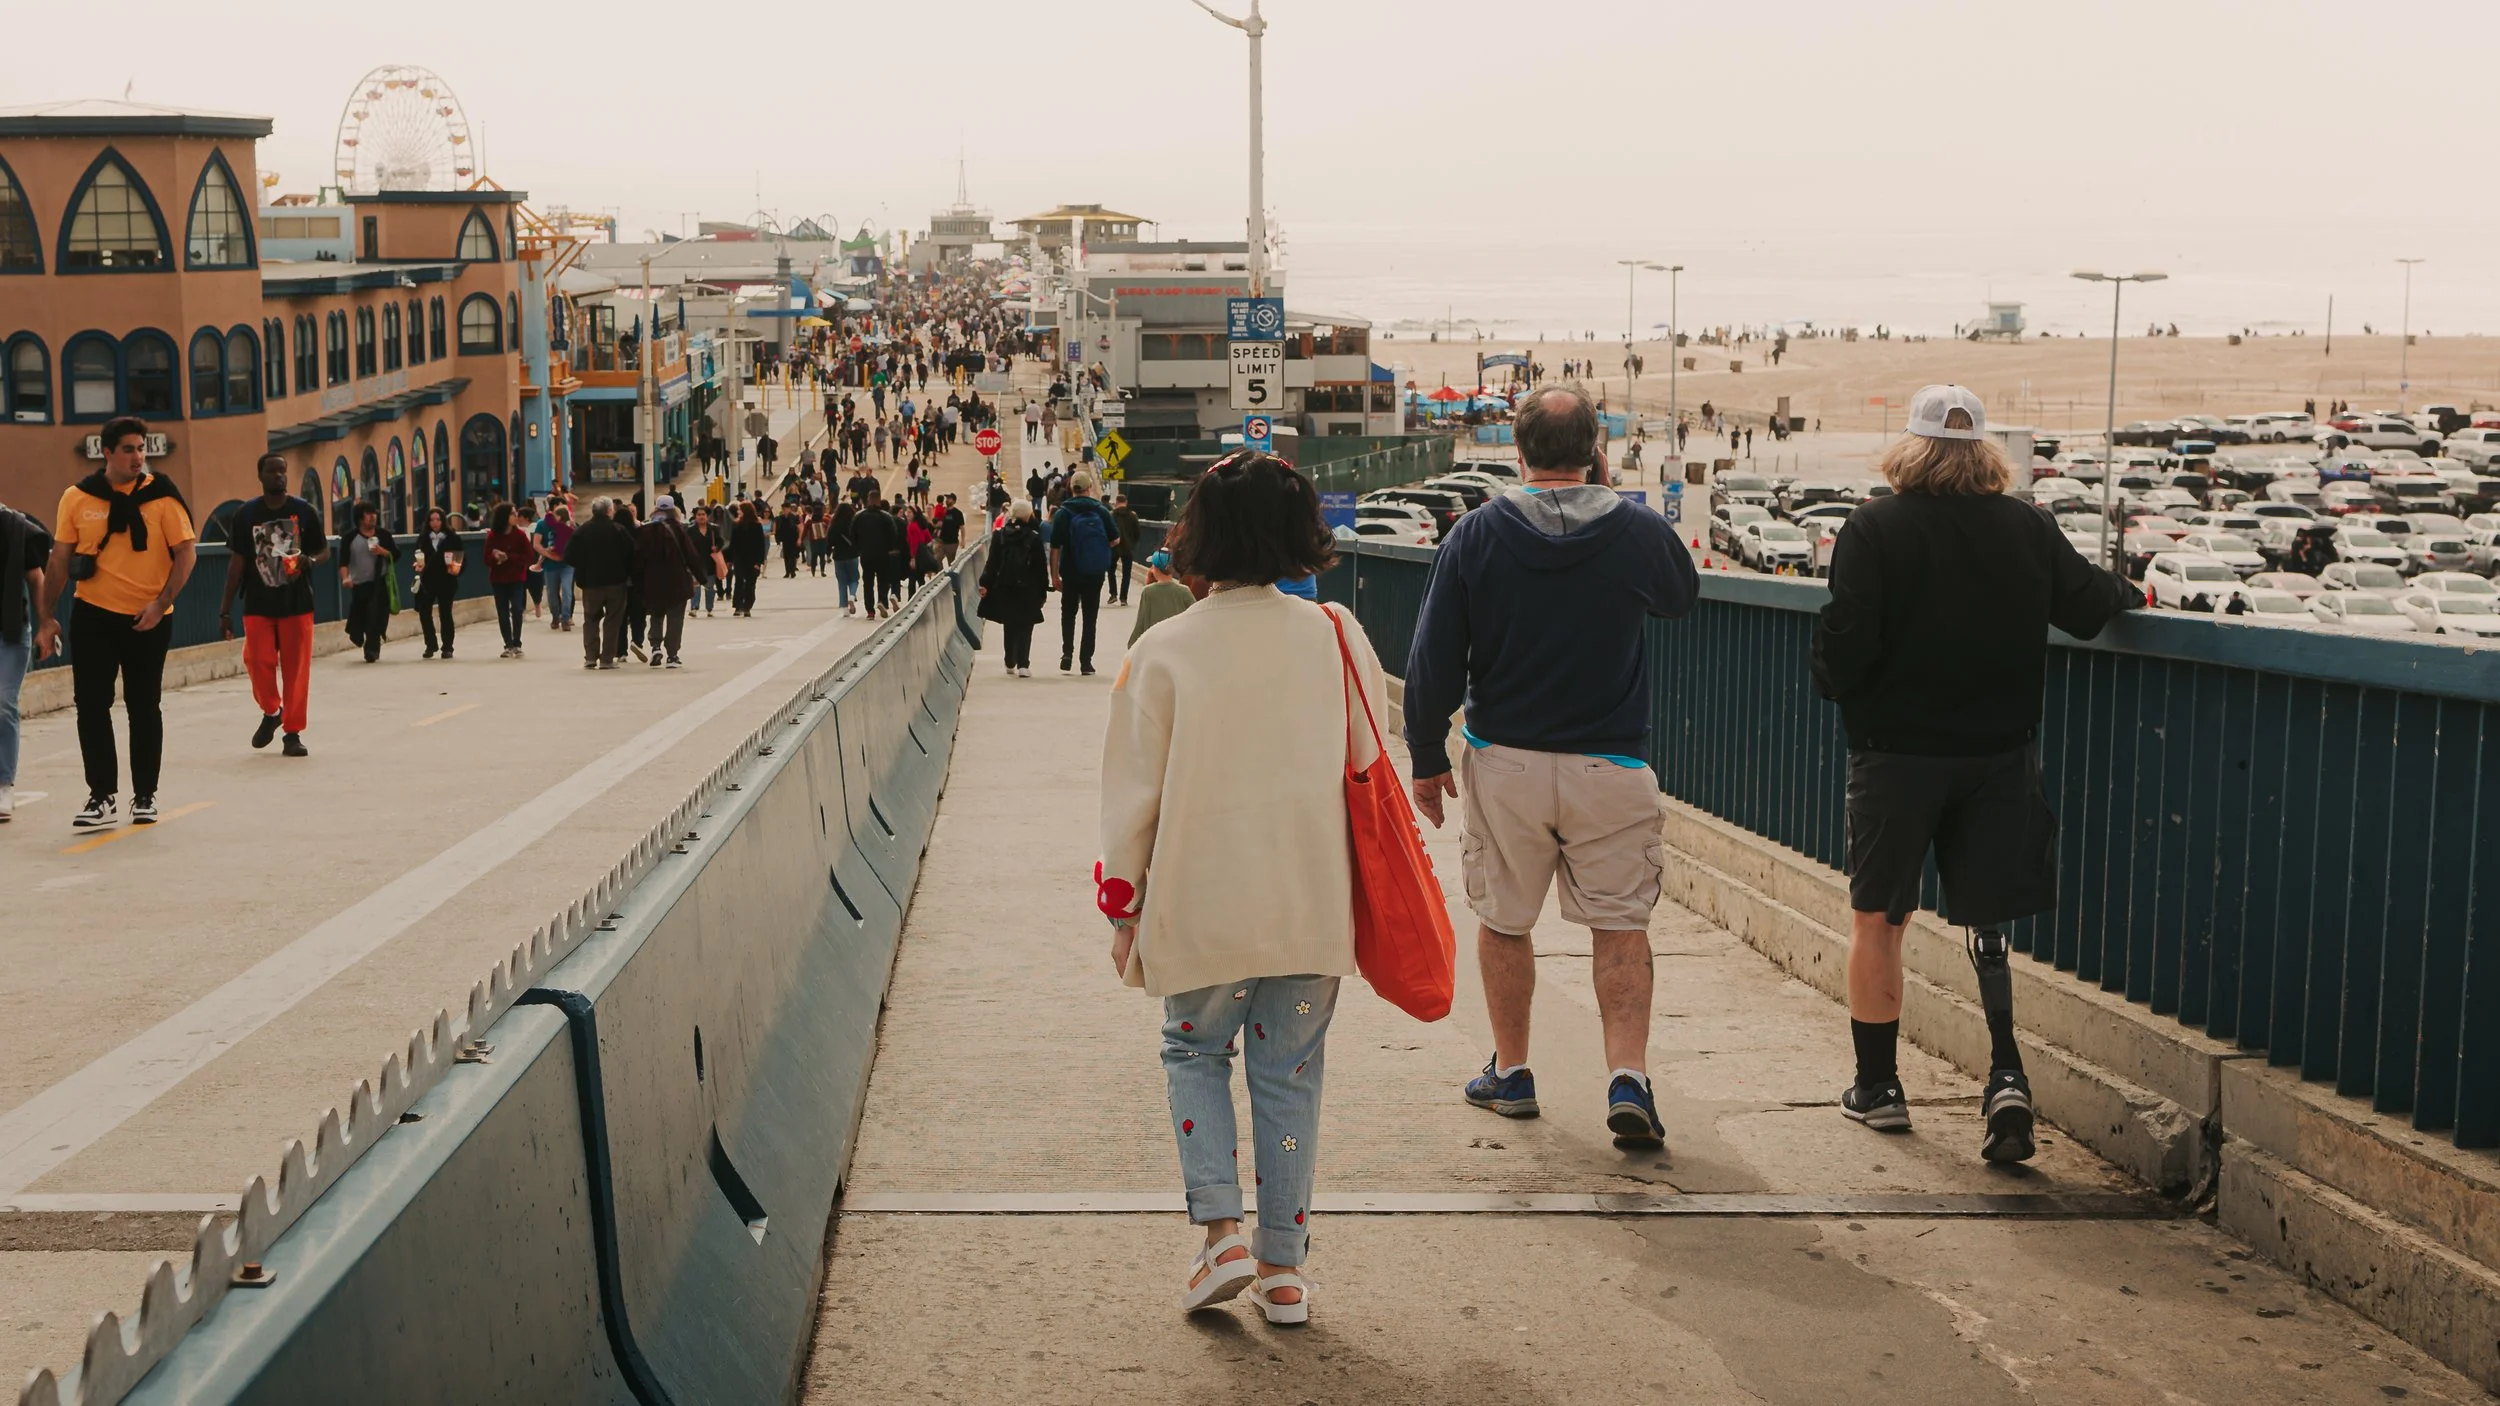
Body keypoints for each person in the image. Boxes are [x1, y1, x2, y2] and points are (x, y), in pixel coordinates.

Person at [1810, 385, 2141, 1163]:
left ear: (1910, 447)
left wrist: (1832, 667)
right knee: (1986, 918)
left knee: (1880, 918)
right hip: (1998, 753)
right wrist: (2133, 591)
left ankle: (1879, 1088)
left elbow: (1844, 652)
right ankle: (2004, 1077)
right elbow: (2092, 604)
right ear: (1984, 451)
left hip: (1896, 756)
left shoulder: (1874, 526)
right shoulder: (2026, 526)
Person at [1096, 450, 1388, 1326]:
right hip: (1308, 898)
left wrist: (1124, 906)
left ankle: (1220, 1234)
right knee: (1289, 1075)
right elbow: (1369, 764)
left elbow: (1130, 796)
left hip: (1200, 898)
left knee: (1194, 1052)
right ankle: (1284, 1273)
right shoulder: (1336, 635)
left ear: (1200, 536)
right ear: (1301, 535)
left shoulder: (1163, 648)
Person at [1402, 384, 1698, 1151]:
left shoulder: (1474, 534)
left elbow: (1434, 655)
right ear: (1595, 450)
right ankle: (1626, 1077)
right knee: (1621, 923)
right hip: (1612, 760)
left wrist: (1429, 758)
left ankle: (1514, 1070)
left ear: (1519, 450)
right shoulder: (1633, 530)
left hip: (1508, 762)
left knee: (1504, 919)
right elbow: (1680, 594)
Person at [41, 419, 198, 828]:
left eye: (141, 448)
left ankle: (145, 795)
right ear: (106, 452)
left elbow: (186, 554)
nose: (137, 457)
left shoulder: (162, 495)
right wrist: (45, 617)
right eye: (128, 449)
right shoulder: (77, 498)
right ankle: (102, 796)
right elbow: (58, 559)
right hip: (93, 615)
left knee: (144, 706)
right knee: (91, 707)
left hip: (149, 617)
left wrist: (160, 602)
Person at [218, 455, 326, 756]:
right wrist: (224, 611)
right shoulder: (245, 514)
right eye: (272, 471)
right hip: (258, 602)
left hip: (297, 602)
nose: (278, 476)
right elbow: (236, 563)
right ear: (260, 475)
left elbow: (323, 550)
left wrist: (310, 561)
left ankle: (292, 733)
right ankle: (272, 710)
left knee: (296, 670)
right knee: (257, 660)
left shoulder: (304, 511)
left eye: (282, 471)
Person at [0, 494, 56, 821]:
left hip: (9, 631)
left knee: (4, 701)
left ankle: (4, 784)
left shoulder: (12, 528)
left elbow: (36, 577)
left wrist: (47, 622)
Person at [1049, 471, 1120, 675]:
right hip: (1094, 573)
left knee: (1068, 613)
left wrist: (1054, 576)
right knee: (1090, 617)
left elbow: (1055, 548)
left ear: (1072, 488)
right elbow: (1116, 539)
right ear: (1089, 487)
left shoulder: (1063, 513)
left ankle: (1067, 654)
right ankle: (1086, 662)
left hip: (1070, 572)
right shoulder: (1101, 511)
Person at [976, 501, 1049, 677]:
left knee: (1010, 624)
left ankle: (1010, 660)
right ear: (1028, 515)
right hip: (1028, 587)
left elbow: (992, 563)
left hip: (1005, 586)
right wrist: (1043, 590)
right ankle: (1023, 664)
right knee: (1026, 625)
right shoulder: (1033, 536)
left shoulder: (999, 535)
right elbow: (1040, 567)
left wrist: (985, 583)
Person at [566, 497, 638, 669]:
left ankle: (590, 657)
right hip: (616, 583)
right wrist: (626, 573)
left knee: (590, 619)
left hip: (591, 583)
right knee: (613, 620)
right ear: (609, 511)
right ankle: (607, 658)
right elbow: (632, 553)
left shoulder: (583, 531)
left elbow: (569, 555)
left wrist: (582, 568)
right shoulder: (618, 530)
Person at [638, 496, 698, 668]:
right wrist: (700, 577)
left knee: (656, 614)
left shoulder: (645, 530)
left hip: (653, 582)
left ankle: (655, 647)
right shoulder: (679, 529)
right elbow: (691, 555)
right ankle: (672, 655)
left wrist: (638, 581)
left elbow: (638, 558)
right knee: (675, 617)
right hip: (677, 582)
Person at [339, 503, 398, 664]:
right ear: (359, 517)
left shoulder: (384, 535)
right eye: (368, 514)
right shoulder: (349, 538)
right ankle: (361, 638)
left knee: (377, 615)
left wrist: (383, 552)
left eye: (374, 513)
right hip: (360, 584)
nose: (373, 516)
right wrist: (345, 578)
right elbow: (343, 561)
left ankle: (371, 649)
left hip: (381, 582)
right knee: (361, 617)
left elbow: (396, 555)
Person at [411, 507, 463, 659]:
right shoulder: (423, 538)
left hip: (446, 580)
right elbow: (416, 556)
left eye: (438, 519)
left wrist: (455, 567)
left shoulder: (452, 537)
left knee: (445, 614)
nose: (435, 523)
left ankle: (447, 647)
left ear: (443, 521)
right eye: (432, 520)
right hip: (427, 580)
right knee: (424, 612)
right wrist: (417, 564)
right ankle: (430, 644)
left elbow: (460, 558)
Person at [484, 503, 532, 658]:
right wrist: (495, 557)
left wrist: (509, 557)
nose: (515, 516)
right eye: (512, 513)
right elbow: (485, 558)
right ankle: (508, 644)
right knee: (502, 611)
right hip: (498, 578)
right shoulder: (493, 536)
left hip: (516, 577)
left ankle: (517, 642)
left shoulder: (520, 536)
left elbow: (528, 556)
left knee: (517, 609)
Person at [1128, 546, 1197, 648]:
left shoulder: (1148, 592)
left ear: (1154, 568)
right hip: (1177, 644)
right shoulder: (1184, 591)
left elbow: (1141, 622)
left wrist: (1132, 644)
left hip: (1154, 644)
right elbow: (1195, 617)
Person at [536, 501, 577, 632]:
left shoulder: (570, 527)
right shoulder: (542, 525)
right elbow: (536, 544)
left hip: (567, 564)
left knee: (567, 590)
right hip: (550, 564)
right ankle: (555, 616)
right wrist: (548, 554)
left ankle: (566, 618)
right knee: (552, 593)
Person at [726, 500, 769, 618]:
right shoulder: (737, 525)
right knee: (739, 581)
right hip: (739, 558)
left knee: (750, 583)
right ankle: (738, 605)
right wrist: (729, 559)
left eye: (740, 509)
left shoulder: (756, 525)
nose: (738, 512)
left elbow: (761, 545)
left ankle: (747, 606)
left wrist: (758, 562)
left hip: (752, 559)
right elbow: (733, 543)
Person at [686, 504, 726, 618]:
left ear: (707, 516)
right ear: (695, 517)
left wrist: (717, 548)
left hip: (710, 563)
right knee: (695, 586)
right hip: (695, 563)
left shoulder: (714, 529)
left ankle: (709, 608)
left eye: (703, 514)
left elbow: (721, 542)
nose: (701, 517)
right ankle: (694, 608)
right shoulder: (690, 530)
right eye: (699, 515)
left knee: (709, 587)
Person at [830, 501, 862, 614]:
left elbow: (829, 540)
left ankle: (844, 608)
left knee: (842, 581)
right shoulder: (854, 523)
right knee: (854, 579)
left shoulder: (834, 524)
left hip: (838, 556)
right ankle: (852, 596)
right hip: (852, 555)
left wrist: (827, 553)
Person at [1111, 495, 1142, 605]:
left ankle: (1113, 593)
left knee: (1111, 570)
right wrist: (1132, 543)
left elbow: (1109, 530)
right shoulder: (1132, 516)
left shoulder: (1112, 515)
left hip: (1114, 546)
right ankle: (1123, 598)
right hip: (1128, 547)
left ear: (1116, 502)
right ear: (1126, 502)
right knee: (1126, 573)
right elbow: (1137, 533)